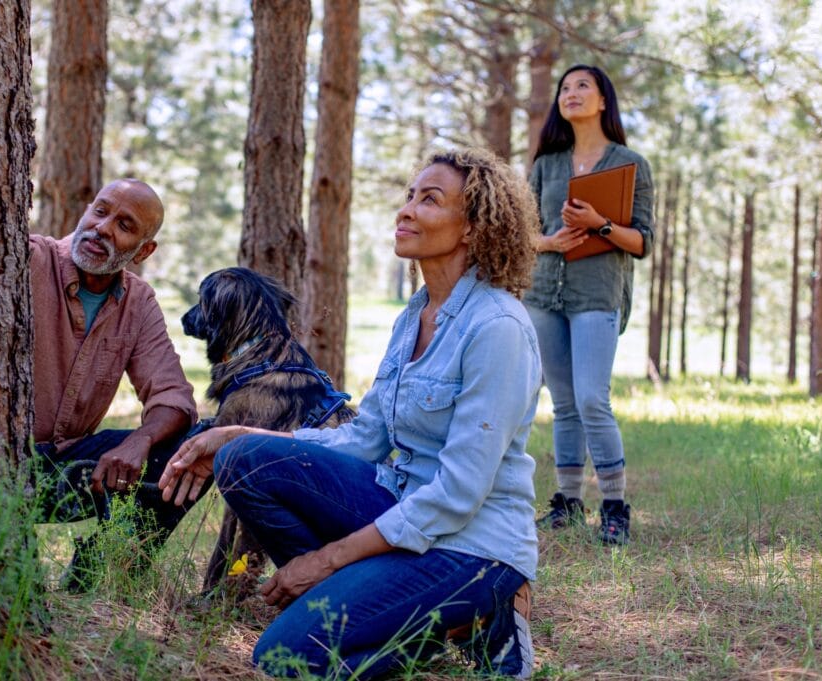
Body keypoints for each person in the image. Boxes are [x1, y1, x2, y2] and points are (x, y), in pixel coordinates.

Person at [160, 149, 542, 679]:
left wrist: (327, 560)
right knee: (244, 460)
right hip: (399, 508)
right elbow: (365, 439)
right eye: (408, 195)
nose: (406, 210)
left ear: (476, 228)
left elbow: (458, 494)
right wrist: (233, 432)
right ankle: (391, 611)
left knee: (284, 658)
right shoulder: (413, 317)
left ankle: (466, 618)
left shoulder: (498, 327)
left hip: (472, 546)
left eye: (429, 200)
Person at [30, 178, 205, 590]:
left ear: (144, 251)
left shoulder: (138, 302)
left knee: (193, 445)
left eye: (124, 225)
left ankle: (100, 575)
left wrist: (140, 440)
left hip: (66, 465)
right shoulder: (29, 259)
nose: (103, 228)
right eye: (101, 211)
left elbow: (174, 398)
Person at [525, 64, 655, 545]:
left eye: (583, 86)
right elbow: (523, 234)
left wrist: (600, 223)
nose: (571, 93)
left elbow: (641, 241)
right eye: (564, 87)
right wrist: (550, 243)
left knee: (591, 399)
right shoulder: (546, 165)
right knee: (563, 405)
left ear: (603, 101)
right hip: (544, 295)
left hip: (597, 295)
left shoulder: (631, 164)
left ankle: (616, 508)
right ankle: (568, 502)